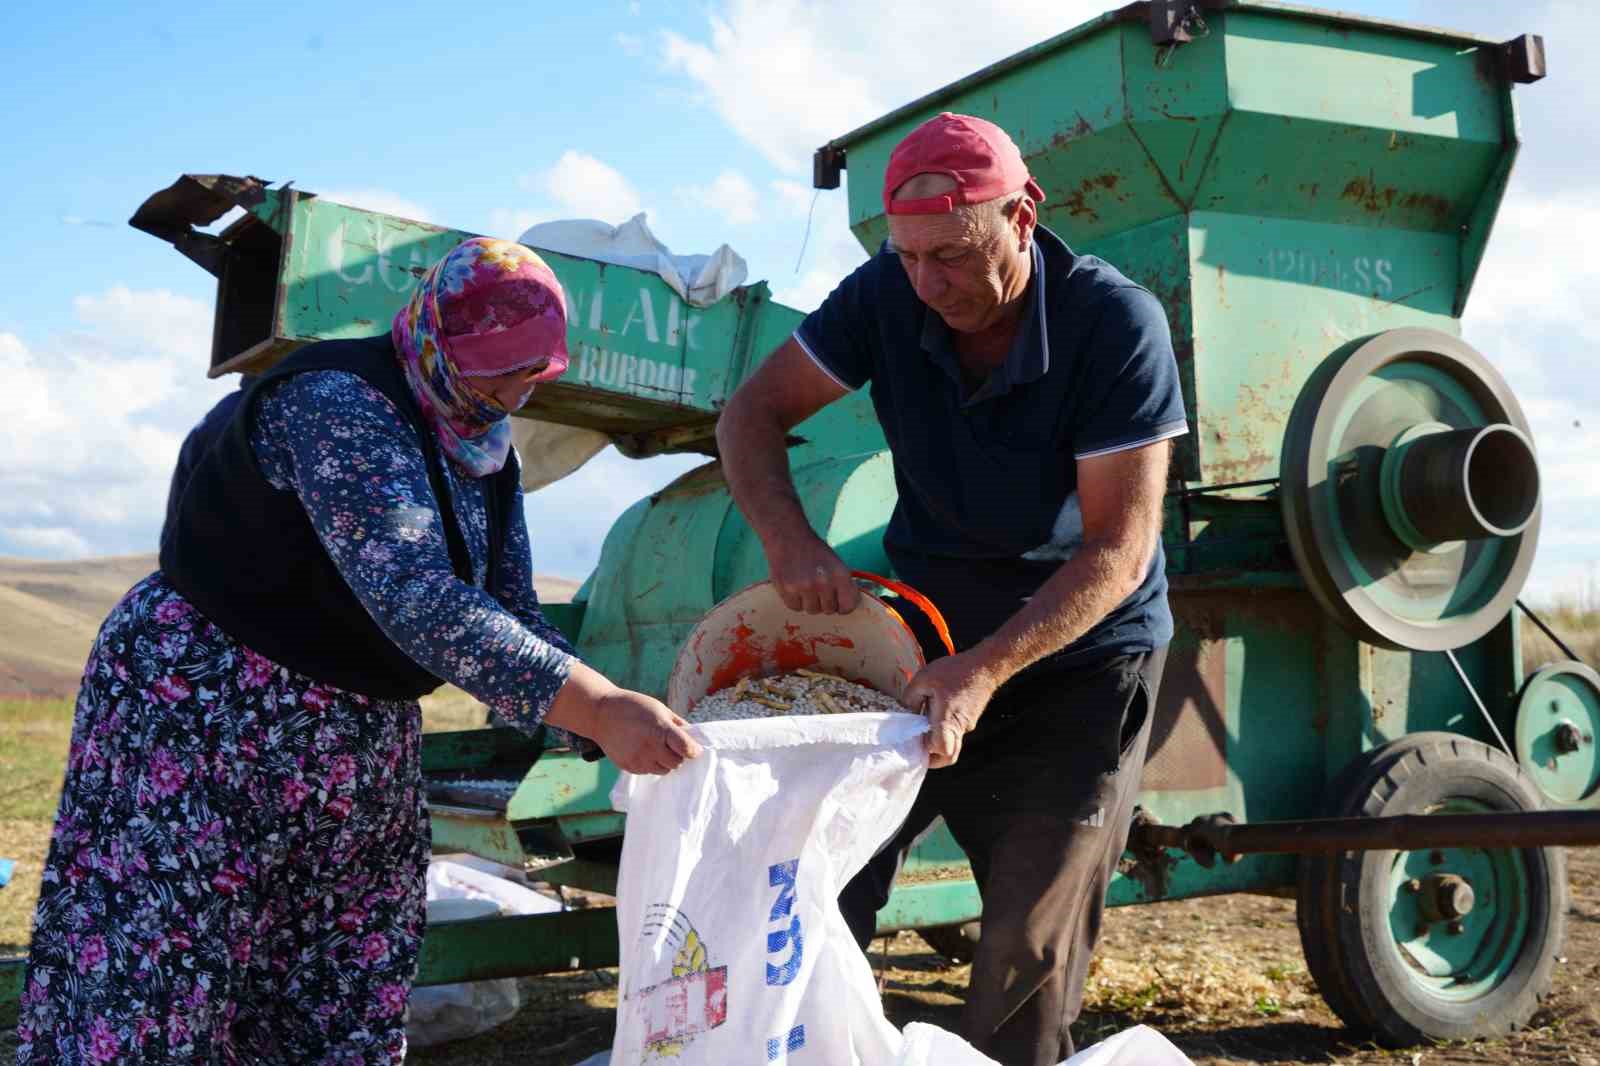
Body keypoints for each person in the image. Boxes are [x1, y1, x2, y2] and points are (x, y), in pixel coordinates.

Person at [14, 237, 702, 1064]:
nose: (511, 393)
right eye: (496, 371)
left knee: (336, 971)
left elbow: (505, 606)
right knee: (164, 962)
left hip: (352, 735)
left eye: (531, 375)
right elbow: (414, 593)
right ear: (435, 339)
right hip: (206, 712)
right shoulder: (339, 401)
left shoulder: (482, 440)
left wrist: (602, 722)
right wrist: (594, 702)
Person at [716, 113, 1187, 1065]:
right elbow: (751, 413)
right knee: (815, 884)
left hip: (1077, 662)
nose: (931, 287)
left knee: (1025, 953)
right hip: (924, 644)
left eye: (955, 257)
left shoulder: (1114, 324)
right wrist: (791, 540)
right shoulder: (890, 293)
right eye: (911, 257)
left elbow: (1118, 552)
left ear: (1023, 214)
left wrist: (987, 670)